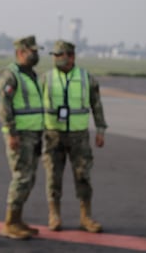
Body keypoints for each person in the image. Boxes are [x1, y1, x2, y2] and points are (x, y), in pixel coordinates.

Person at [41, 40, 107, 233]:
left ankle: (86, 217)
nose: (55, 58)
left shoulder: (87, 78)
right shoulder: (46, 78)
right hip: (53, 135)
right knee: (53, 176)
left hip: (80, 137)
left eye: (59, 55)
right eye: (54, 55)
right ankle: (54, 215)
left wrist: (101, 130)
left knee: (83, 176)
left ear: (71, 56)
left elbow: (97, 105)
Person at [0, 36, 44, 240]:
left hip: (34, 135)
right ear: (20, 52)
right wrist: (12, 132)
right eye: (31, 50)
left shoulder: (31, 74)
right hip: (20, 135)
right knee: (21, 178)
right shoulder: (11, 74)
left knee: (29, 179)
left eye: (36, 50)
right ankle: (10, 223)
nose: (35, 54)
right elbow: (4, 105)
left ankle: (17, 219)